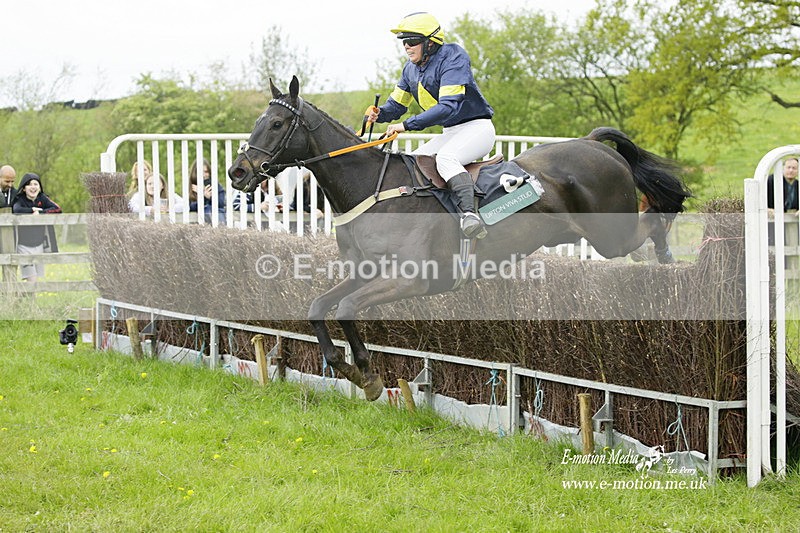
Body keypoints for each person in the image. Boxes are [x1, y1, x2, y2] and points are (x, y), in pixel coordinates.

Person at [367, 12, 495, 239]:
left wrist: (405, 126)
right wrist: (380, 114)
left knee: (446, 158)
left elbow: (448, 107)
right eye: (404, 42)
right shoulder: (409, 69)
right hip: (452, 132)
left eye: (412, 41)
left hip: (477, 128)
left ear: (430, 42)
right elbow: (396, 105)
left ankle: (469, 216)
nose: (407, 47)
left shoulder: (454, 57)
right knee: (412, 163)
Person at [12, 173, 61, 282]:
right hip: (23, 246)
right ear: (24, 188)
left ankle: (22, 296)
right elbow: (17, 210)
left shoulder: (42, 198)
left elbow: (58, 209)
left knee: (36, 278)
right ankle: (29, 298)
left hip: (39, 244)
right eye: (29, 185)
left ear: (39, 187)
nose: (33, 187)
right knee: (31, 279)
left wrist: (42, 212)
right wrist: (33, 210)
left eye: (36, 184)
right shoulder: (20, 199)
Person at [188, 158, 226, 224]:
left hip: (217, 221)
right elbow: (191, 207)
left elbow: (221, 203)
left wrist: (210, 197)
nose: (203, 175)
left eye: (206, 172)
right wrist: (202, 196)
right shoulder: (191, 187)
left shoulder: (215, 185)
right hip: (196, 223)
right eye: (200, 172)